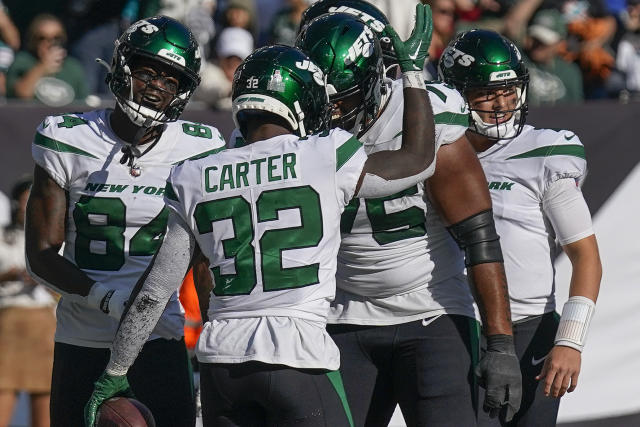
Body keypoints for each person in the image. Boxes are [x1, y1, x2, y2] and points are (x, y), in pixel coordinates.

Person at [84, 5, 439, 426]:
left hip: (222, 365)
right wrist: (414, 74)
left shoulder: (194, 172)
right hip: (298, 356)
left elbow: (155, 291)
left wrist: (115, 371)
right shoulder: (326, 153)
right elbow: (419, 160)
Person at [296, 6, 521, 427]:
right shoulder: (294, 121)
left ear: (375, 78)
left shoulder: (426, 112)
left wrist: (501, 343)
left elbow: (478, 236)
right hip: (340, 315)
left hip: (429, 311)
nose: (331, 112)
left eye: (343, 98)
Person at [24, 16, 226, 427]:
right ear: (122, 66)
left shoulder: (201, 148)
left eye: (170, 79)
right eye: (148, 70)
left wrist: (218, 343)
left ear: (183, 91)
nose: (156, 84)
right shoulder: (68, 138)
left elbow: (205, 263)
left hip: (159, 338)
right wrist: (109, 300)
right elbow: (41, 255)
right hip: (84, 337)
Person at [439, 29, 602, 426]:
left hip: (531, 327)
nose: (501, 104)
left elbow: (586, 257)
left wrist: (569, 340)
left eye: (509, 91)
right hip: (458, 328)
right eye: (486, 93)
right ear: (457, 95)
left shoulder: (543, 151)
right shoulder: (435, 151)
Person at [0, 177, 56, 427]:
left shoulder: (51, 241)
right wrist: (11, 275)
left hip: (43, 324)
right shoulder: (4, 237)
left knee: (44, 394)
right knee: (3, 388)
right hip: (9, 322)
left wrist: (45, 278)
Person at [6, 14, 87, 105]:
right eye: (42, 38)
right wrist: (42, 67)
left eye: (57, 38)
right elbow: (21, 95)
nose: (50, 43)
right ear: (33, 40)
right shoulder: (22, 61)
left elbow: (83, 105)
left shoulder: (73, 67)